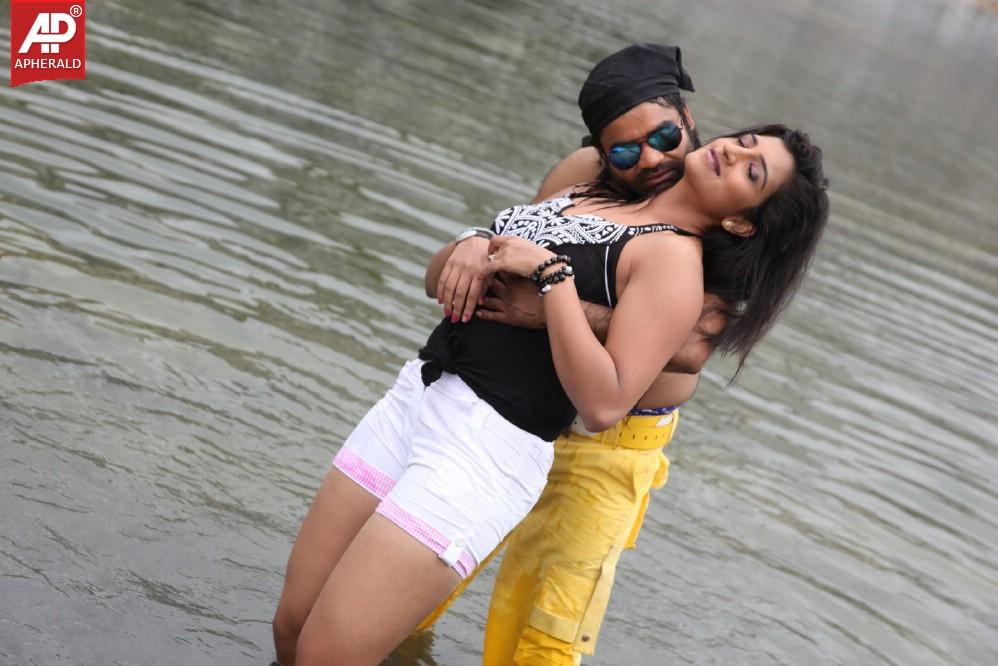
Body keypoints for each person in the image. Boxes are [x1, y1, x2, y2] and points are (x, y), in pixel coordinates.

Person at [271, 42, 829, 665]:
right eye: (746, 142)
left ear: (742, 221)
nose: (733, 153)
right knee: (294, 626)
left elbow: (624, 390)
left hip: (499, 444)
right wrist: (473, 241)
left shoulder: (677, 260)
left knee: (376, 650)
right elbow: (452, 277)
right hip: (422, 394)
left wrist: (553, 285)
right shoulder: (598, 180)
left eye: (753, 173)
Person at [413, 43, 724, 666]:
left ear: (688, 119)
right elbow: (515, 244)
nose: (653, 158)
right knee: (415, 592)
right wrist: (475, 239)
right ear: (603, 148)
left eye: (666, 136)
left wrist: (559, 308)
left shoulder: (720, 206)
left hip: (612, 444)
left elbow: (692, 346)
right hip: (519, 409)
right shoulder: (581, 173)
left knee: (543, 639)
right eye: (626, 151)